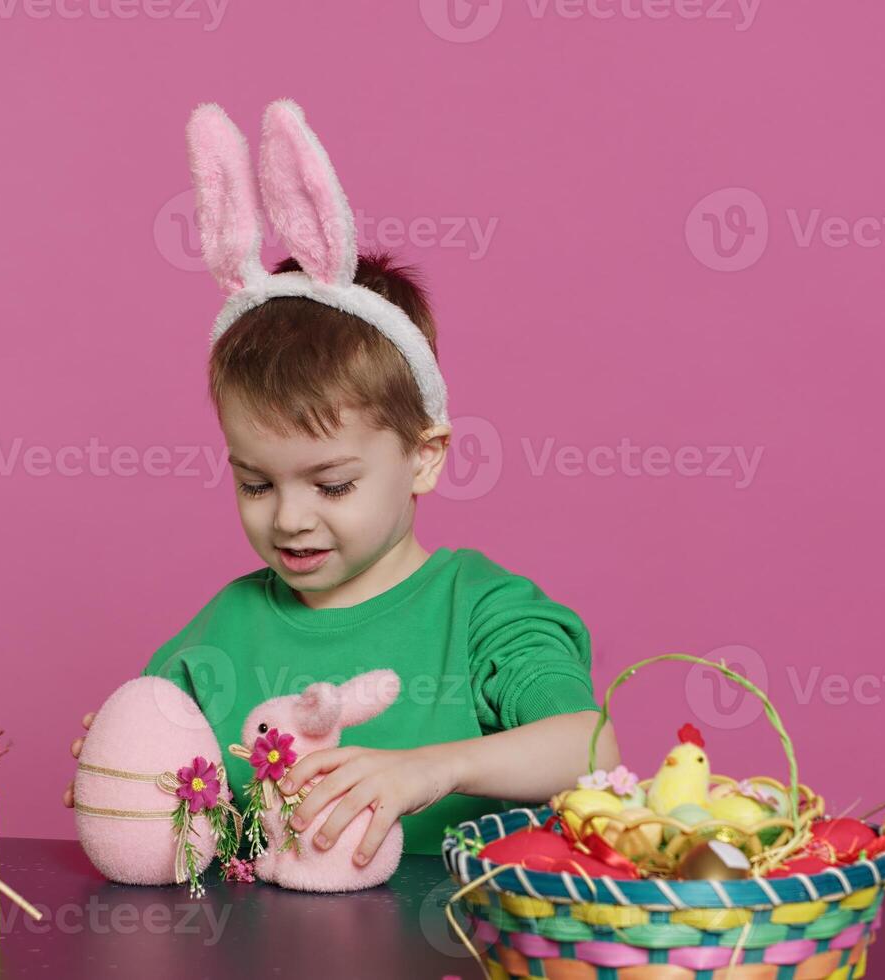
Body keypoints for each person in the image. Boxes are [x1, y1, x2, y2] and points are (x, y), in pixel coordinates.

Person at [64, 101, 619, 867]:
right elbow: (184, 798)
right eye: (256, 484)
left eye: (331, 486)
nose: (290, 519)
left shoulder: (483, 611)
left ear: (424, 457)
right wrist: (132, 773)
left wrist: (436, 767)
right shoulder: (222, 629)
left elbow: (589, 748)